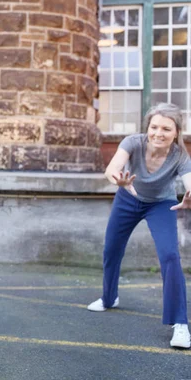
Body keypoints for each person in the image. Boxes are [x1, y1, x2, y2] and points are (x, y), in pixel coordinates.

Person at [87, 103, 191, 349]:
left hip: (161, 204)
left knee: (170, 256)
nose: (158, 133)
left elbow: (190, 181)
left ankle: (180, 324)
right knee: (111, 249)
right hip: (127, 198)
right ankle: (109, 297)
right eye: (154, 127)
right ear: (148, 127)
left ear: (176, 132)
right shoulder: (133, 142)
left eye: (166, 128)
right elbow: (112, 168)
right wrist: (119, 180)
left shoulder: (180, 156)